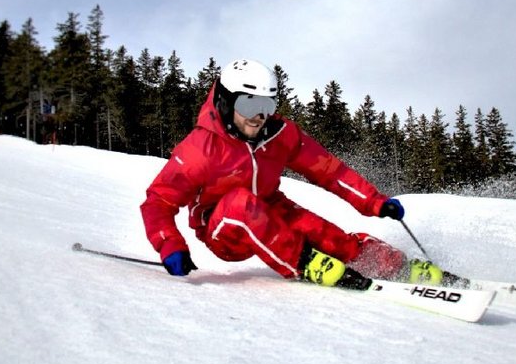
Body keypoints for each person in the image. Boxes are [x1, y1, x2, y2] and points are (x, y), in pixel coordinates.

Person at [140, 59, 464, 290]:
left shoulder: (280, 134)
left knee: (326, 234)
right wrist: (171, 246)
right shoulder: (201, 147)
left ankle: (396, 266)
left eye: (266, 105)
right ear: (225, 101)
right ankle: (305, 262)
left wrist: (376, 202)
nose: (259, 117)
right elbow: (158, 201)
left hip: (270, 207)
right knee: (239, 204)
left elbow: (328, 170)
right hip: (222, 228)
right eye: (249, 105)